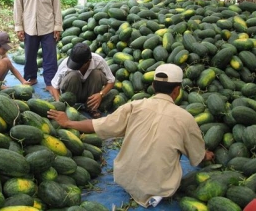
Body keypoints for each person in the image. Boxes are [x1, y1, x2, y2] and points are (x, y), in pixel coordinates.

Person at [48, 63, 214, 208]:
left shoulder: (134, 106)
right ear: (177, 91)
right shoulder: (185, 118)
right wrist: (207, 155)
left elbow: (97, 125)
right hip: (160, 188)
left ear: (153, 87)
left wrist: (68, 122)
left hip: (124, 179)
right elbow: (198, 157)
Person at [13, 0, 63, 89]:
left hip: (47, 24)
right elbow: (18, 5)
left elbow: (56, 3)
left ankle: (50, 82)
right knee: (29, 56)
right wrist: (19, 26)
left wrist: (57, 26)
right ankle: (31, 78)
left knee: (50, 57)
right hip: (29, 25)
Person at [47, 43, 115, 118]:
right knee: (73, 75)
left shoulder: (98, 61)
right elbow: (54, 85)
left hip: (89, 94)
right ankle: (69, 108)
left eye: (78, 65)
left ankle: (91, 107)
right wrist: (59, 103)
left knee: (97, 74)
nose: (74, 66)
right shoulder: (65, 63)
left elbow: (111, 81)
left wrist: (101, 94)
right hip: (71, 93)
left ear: (88, 62)